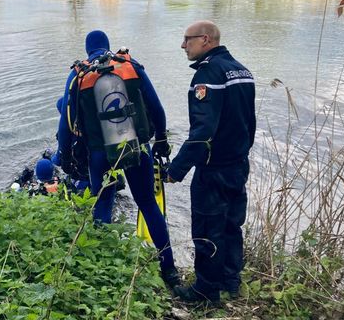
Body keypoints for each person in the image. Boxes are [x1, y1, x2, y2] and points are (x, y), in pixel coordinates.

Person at [56, 30, 179, 287]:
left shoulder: (78, 75)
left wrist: (65, 158)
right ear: (108, 45)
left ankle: (104, 271)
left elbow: (66, 125)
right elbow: (157, 109)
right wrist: (162, 141)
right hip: (136, 147)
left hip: (99, 154)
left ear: (88, 49)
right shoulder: (129, 66)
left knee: (103, 203)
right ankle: (169, 269)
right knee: (147, 203)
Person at [166, 20, 256, 305]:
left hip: (214, 168)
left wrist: (176, 170)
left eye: (187, 39)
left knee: (207, 229)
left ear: (205, 40)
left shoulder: (208, 75)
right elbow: (248, 124)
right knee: (231, 226)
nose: (183, 45)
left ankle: (205, 292)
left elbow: (202, 132)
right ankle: (231, 282)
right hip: (238, 164)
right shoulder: (242, 71)